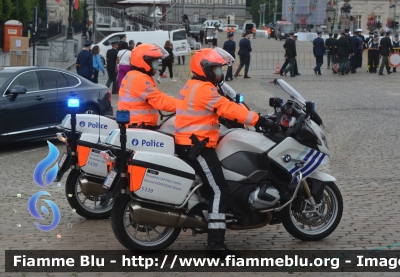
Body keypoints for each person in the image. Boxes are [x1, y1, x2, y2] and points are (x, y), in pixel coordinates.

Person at [174, 47, 271, 256]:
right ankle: (215, 244)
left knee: (213, 189)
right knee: (220, 190)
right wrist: (259, 119)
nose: (220, 72)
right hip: (197, 147)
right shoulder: (204, 89)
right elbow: (228, 108)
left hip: (188, 143)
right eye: (217, 68)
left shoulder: (192, 85)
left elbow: (212, 110)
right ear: (206, 69)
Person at [118, 43, 176, 129]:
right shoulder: (139, 78)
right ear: (143, 61)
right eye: (154, 62)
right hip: (139, 128)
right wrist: (184, 105)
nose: (156, 65)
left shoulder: (133, 75)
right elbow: (160, 101)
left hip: (136, 125)